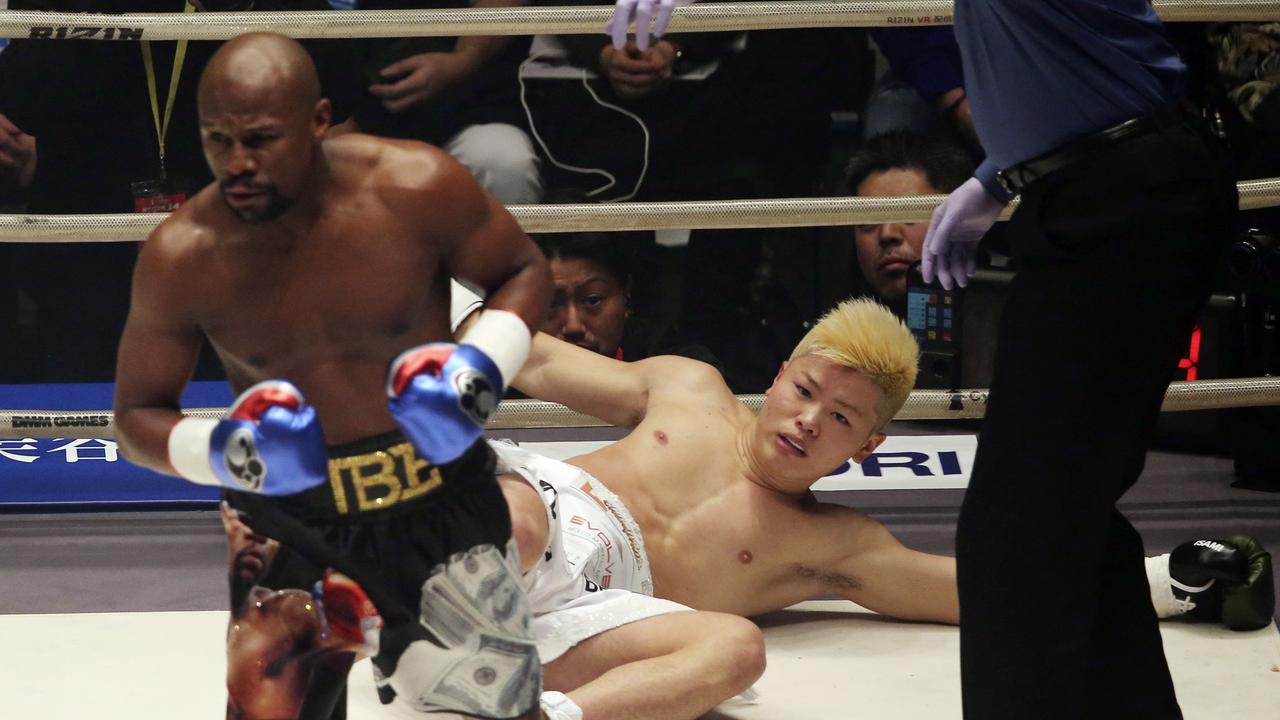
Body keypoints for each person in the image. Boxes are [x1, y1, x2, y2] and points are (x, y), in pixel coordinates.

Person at [453, 294, 1272, 720]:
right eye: (804, 391)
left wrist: (1169, 580)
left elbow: (983, 594)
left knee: (735, 651)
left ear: (866, 448)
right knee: (519, 526)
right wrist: (428, 291)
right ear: (777, 376)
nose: (809, 420)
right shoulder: (688, 389)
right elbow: (537, 357)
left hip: (592, 613)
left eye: (841, 418)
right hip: (544, 508)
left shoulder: (831, 542)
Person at [112, 32, 551, 719]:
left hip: (439, 499)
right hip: (289, 526)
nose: (238, 163)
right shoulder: (183, 255)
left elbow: (523, 271)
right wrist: (231, 453)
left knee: (504, 712)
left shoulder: (415, 186)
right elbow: (136, 418)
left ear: (318, 121)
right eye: (217, 139)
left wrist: (478, 371)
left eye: (260, 138)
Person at [916, 2, 1241, 717]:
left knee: (1022, 531)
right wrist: (1004, 171)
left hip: (1123, 196)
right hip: (1105, 186)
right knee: (1062, 514)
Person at [534, 229, 722, 368]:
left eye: (592, 300)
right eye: (551, 303)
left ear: (626, 292)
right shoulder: (508, 375)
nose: (573, 326)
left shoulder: (675, 362)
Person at [844, 130, 976, 309]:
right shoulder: (833, 332)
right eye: (869, 219)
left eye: (909, 213)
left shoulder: (1004, 312)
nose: (887, 234)